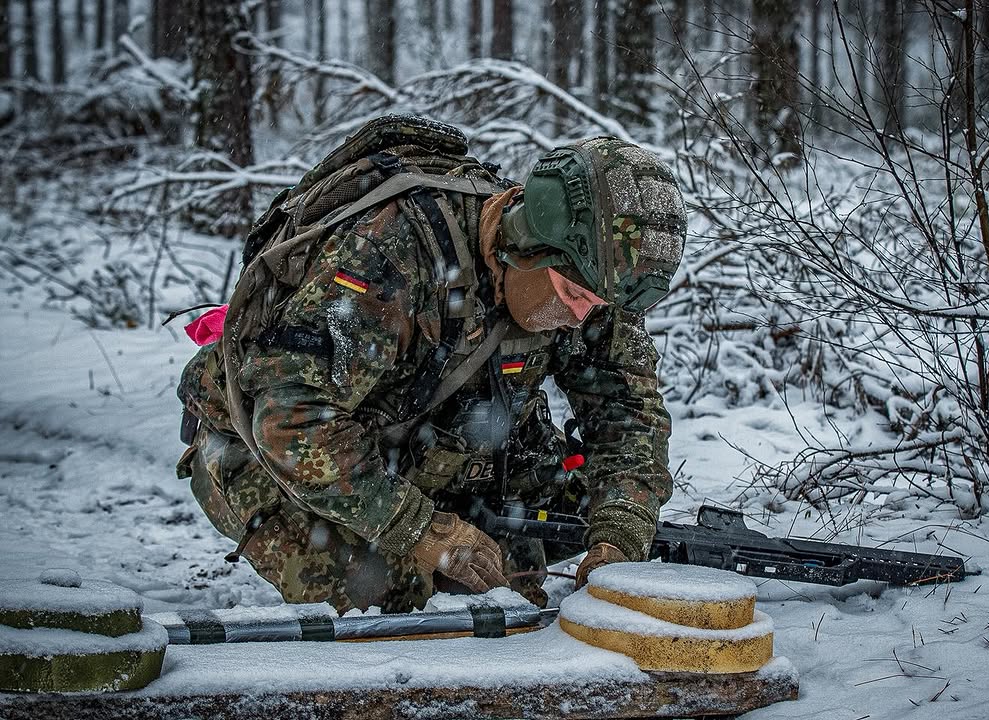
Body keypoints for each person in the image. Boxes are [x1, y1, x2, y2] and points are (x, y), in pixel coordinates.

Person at [176, 117, 687, 613]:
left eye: (596, 307)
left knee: (537, 563)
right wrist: (419, 528)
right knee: (400, 608)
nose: (580, 317)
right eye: (573, 295)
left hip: (435, 446)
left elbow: (627, 409)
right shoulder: (393, 251)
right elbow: (291, 418)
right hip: (272, 448)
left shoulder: (594, 274)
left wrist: (619, 531)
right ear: (524, 245)